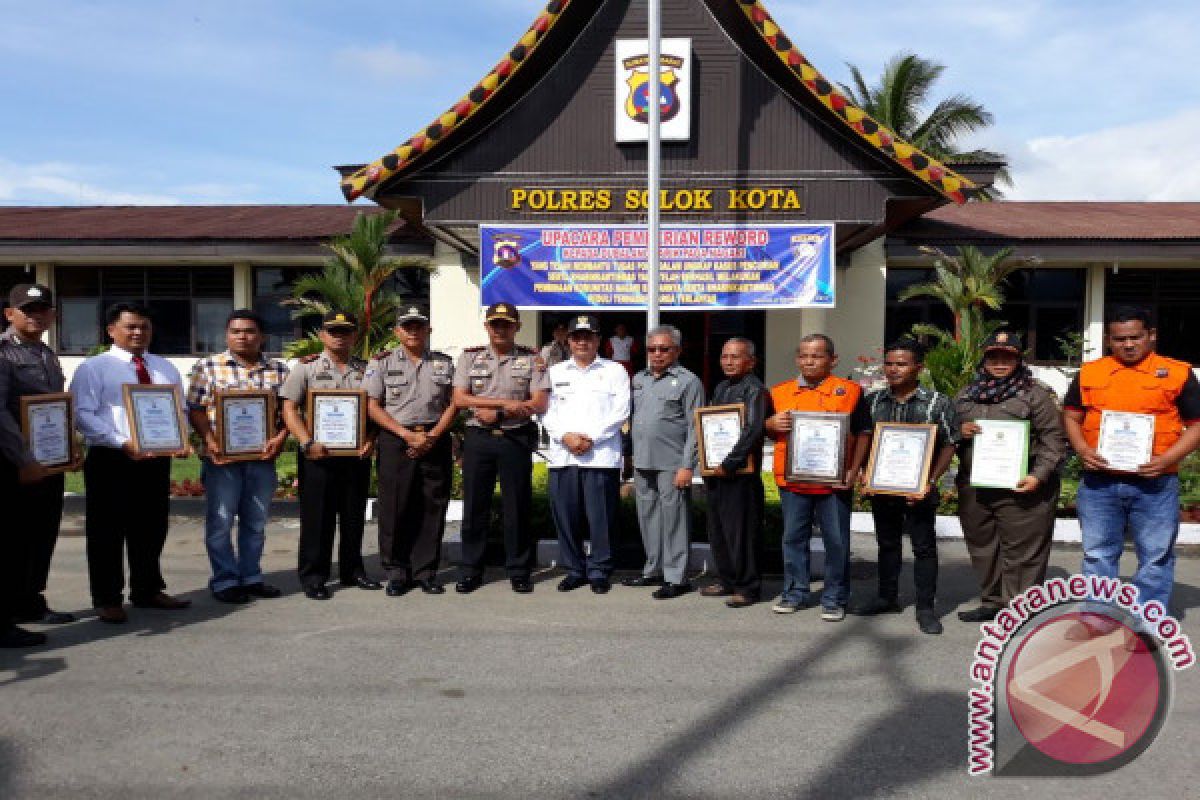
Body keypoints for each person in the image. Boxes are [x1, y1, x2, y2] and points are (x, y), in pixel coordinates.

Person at [1063, 306, 1200, 613]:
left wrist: (1167, 459)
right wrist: (1083, 450)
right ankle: (1099, 619)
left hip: (1156, 484)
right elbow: (1071, 417)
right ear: (1108, 339)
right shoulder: (1090, 372)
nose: (1127, 344)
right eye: (1119, 338)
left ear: (1151, 336)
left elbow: (1197, 425)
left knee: (1155, 555)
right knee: (1098, 554)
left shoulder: (1177, 372)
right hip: (1100, 483)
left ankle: (1146, 623)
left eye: (1135, 337)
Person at [70, 302, 191, 624]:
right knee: (106, 531)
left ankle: (147, 589)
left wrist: (181, 439)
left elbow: (179, 410)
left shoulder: (165, 367)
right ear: (112, 330)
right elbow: (82, 414)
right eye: (131, 327)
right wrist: (121, 441)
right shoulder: (94, 367)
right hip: (112, 458)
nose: (138, 332)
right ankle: (107, 598)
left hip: (155, 459)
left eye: (144, 327)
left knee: (151, 527)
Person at [954, 332, 1066, 622]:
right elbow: (946, 432)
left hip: (1023, 486)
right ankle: (992, 601)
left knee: (1023, 551)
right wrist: (960, 431)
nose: (1000, 362)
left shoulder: (1036, 394)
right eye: (994, 356)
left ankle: (1021, 611)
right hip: (976, 487)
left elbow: (1054, 439)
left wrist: (1038, 476)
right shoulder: (967, 394)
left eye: (1008, 357)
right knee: (983, 547)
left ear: (1018, 359)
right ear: (985, 358)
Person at [849, 338, 958, 635]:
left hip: (919, 489)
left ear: (918, 368)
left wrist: (930, 481)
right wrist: (863, 473)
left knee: (923, 548)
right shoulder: (873, 401)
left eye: (901, 364)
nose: (893, 369)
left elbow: (950, 445)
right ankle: (887, 597)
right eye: (889, 363)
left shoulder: (938, 402)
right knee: (887, 544)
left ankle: (925, 607)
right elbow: (865, 439)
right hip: (882, 488)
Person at [186, 310, 290, 604]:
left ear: (262, 336)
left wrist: (280, 438)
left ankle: (251, 576)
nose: (242, 336)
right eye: (235, 331)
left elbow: (288, 411)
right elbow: (194, 408)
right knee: (220, 522)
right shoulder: (208, 367)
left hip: (262, 458)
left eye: (249, 331)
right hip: (222, 460)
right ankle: (225, 579)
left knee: (256, 522)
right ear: (226, 335)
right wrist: (210, 439)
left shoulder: (279, 370)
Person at [280, 311, 380, 601]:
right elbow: (289, 409)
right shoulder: (305, 369)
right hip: (317, 455)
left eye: (345, 331)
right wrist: (305, 441)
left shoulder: (367, 370)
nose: (339, 336)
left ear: (354, 336)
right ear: (322, 335)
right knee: (317, 518)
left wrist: (371, 440)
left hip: (356, 455)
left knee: (353, 516)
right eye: (333, 331)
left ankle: (353, 570)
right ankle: (314, 575)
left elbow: (375, 409)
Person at [452, 303, 550, 594]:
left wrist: (502, 414)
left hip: (515, 438)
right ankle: (471, 570)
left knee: (517, 506)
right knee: (474, 507)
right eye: (495, 324)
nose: (500, 329)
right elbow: (459, 399)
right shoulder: (470, 358)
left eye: (506, 324)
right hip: (478, 438)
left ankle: (519, 570)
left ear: (517, 326)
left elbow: (539, 402)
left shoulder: (533, 359)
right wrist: (505, 404)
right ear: (486, 326)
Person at [0, 285, 78, 647]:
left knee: (41, 535)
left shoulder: (46, 353)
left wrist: (69, 448)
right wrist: (24, 459)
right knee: (11, 541)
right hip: (13, 464)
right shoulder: (2, 353)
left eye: (42, 309)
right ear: (9, 314)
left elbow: (54, 408)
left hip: (48, 463)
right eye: (27, 309)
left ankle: (30, 601)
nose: (35, 315)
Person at [764, 334, 862, 621]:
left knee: (837, 542)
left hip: (834, 483)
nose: (809, 361)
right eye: (804, 355)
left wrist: (853, 470)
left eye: (817, 355)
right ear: (797, 359)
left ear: (833, 360)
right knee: (793, 539)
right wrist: (770, 423)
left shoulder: (851, 391)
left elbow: (863, 434)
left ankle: (834, 598)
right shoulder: (779, 392)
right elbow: (764, 430)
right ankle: (794, 592)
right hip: (793, 481)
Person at [365, 304, 457, 596]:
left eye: (419, 326)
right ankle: (396, 571)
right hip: (396, 438)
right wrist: (406, 434)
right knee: (395, 505)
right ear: (397, 332)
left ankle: (426, 571)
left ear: (428, 330)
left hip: (434, 437)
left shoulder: (444, 363)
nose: (413, 331)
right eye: (408, 326)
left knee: (433, 505)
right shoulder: (381, 362)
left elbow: (454, 403)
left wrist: (432, 435)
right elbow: (372, 405)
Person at [542, 314, 630, 594]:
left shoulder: (615, 371)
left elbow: (621, 411)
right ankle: (574, 569)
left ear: (598, 340)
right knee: (566, 516)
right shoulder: (555, 373)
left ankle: (600, 570)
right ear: (568, 340)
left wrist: (590, 437)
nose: (582, 342)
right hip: (563, 455)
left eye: (588, 336)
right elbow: (545, 412)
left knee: (601, 517)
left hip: (600, 456)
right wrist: (566, 437)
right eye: (577, 337)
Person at [625, 325, 704, 599]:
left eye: (664, 349)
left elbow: (696, 426)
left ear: (677, 351)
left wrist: (687, 466)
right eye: (652, 349)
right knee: (648, 518)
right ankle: (653, 570)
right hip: (643, 460)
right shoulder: (639, 379)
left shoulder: (688, 381)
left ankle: (677, 576)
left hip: (672, 462)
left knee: (674, 520)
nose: (657, 354)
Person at [701, 337, 769, 608]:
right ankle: (727, 579)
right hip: (717, 470)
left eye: (735, 357)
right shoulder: (721, 387)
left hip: (740, 473)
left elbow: (753, 429)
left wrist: (729, 462)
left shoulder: (755, 390)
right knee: (718, 530)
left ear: (751, 362)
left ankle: (748, 587)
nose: (728, 362)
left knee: (742, 533)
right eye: (724, 356)